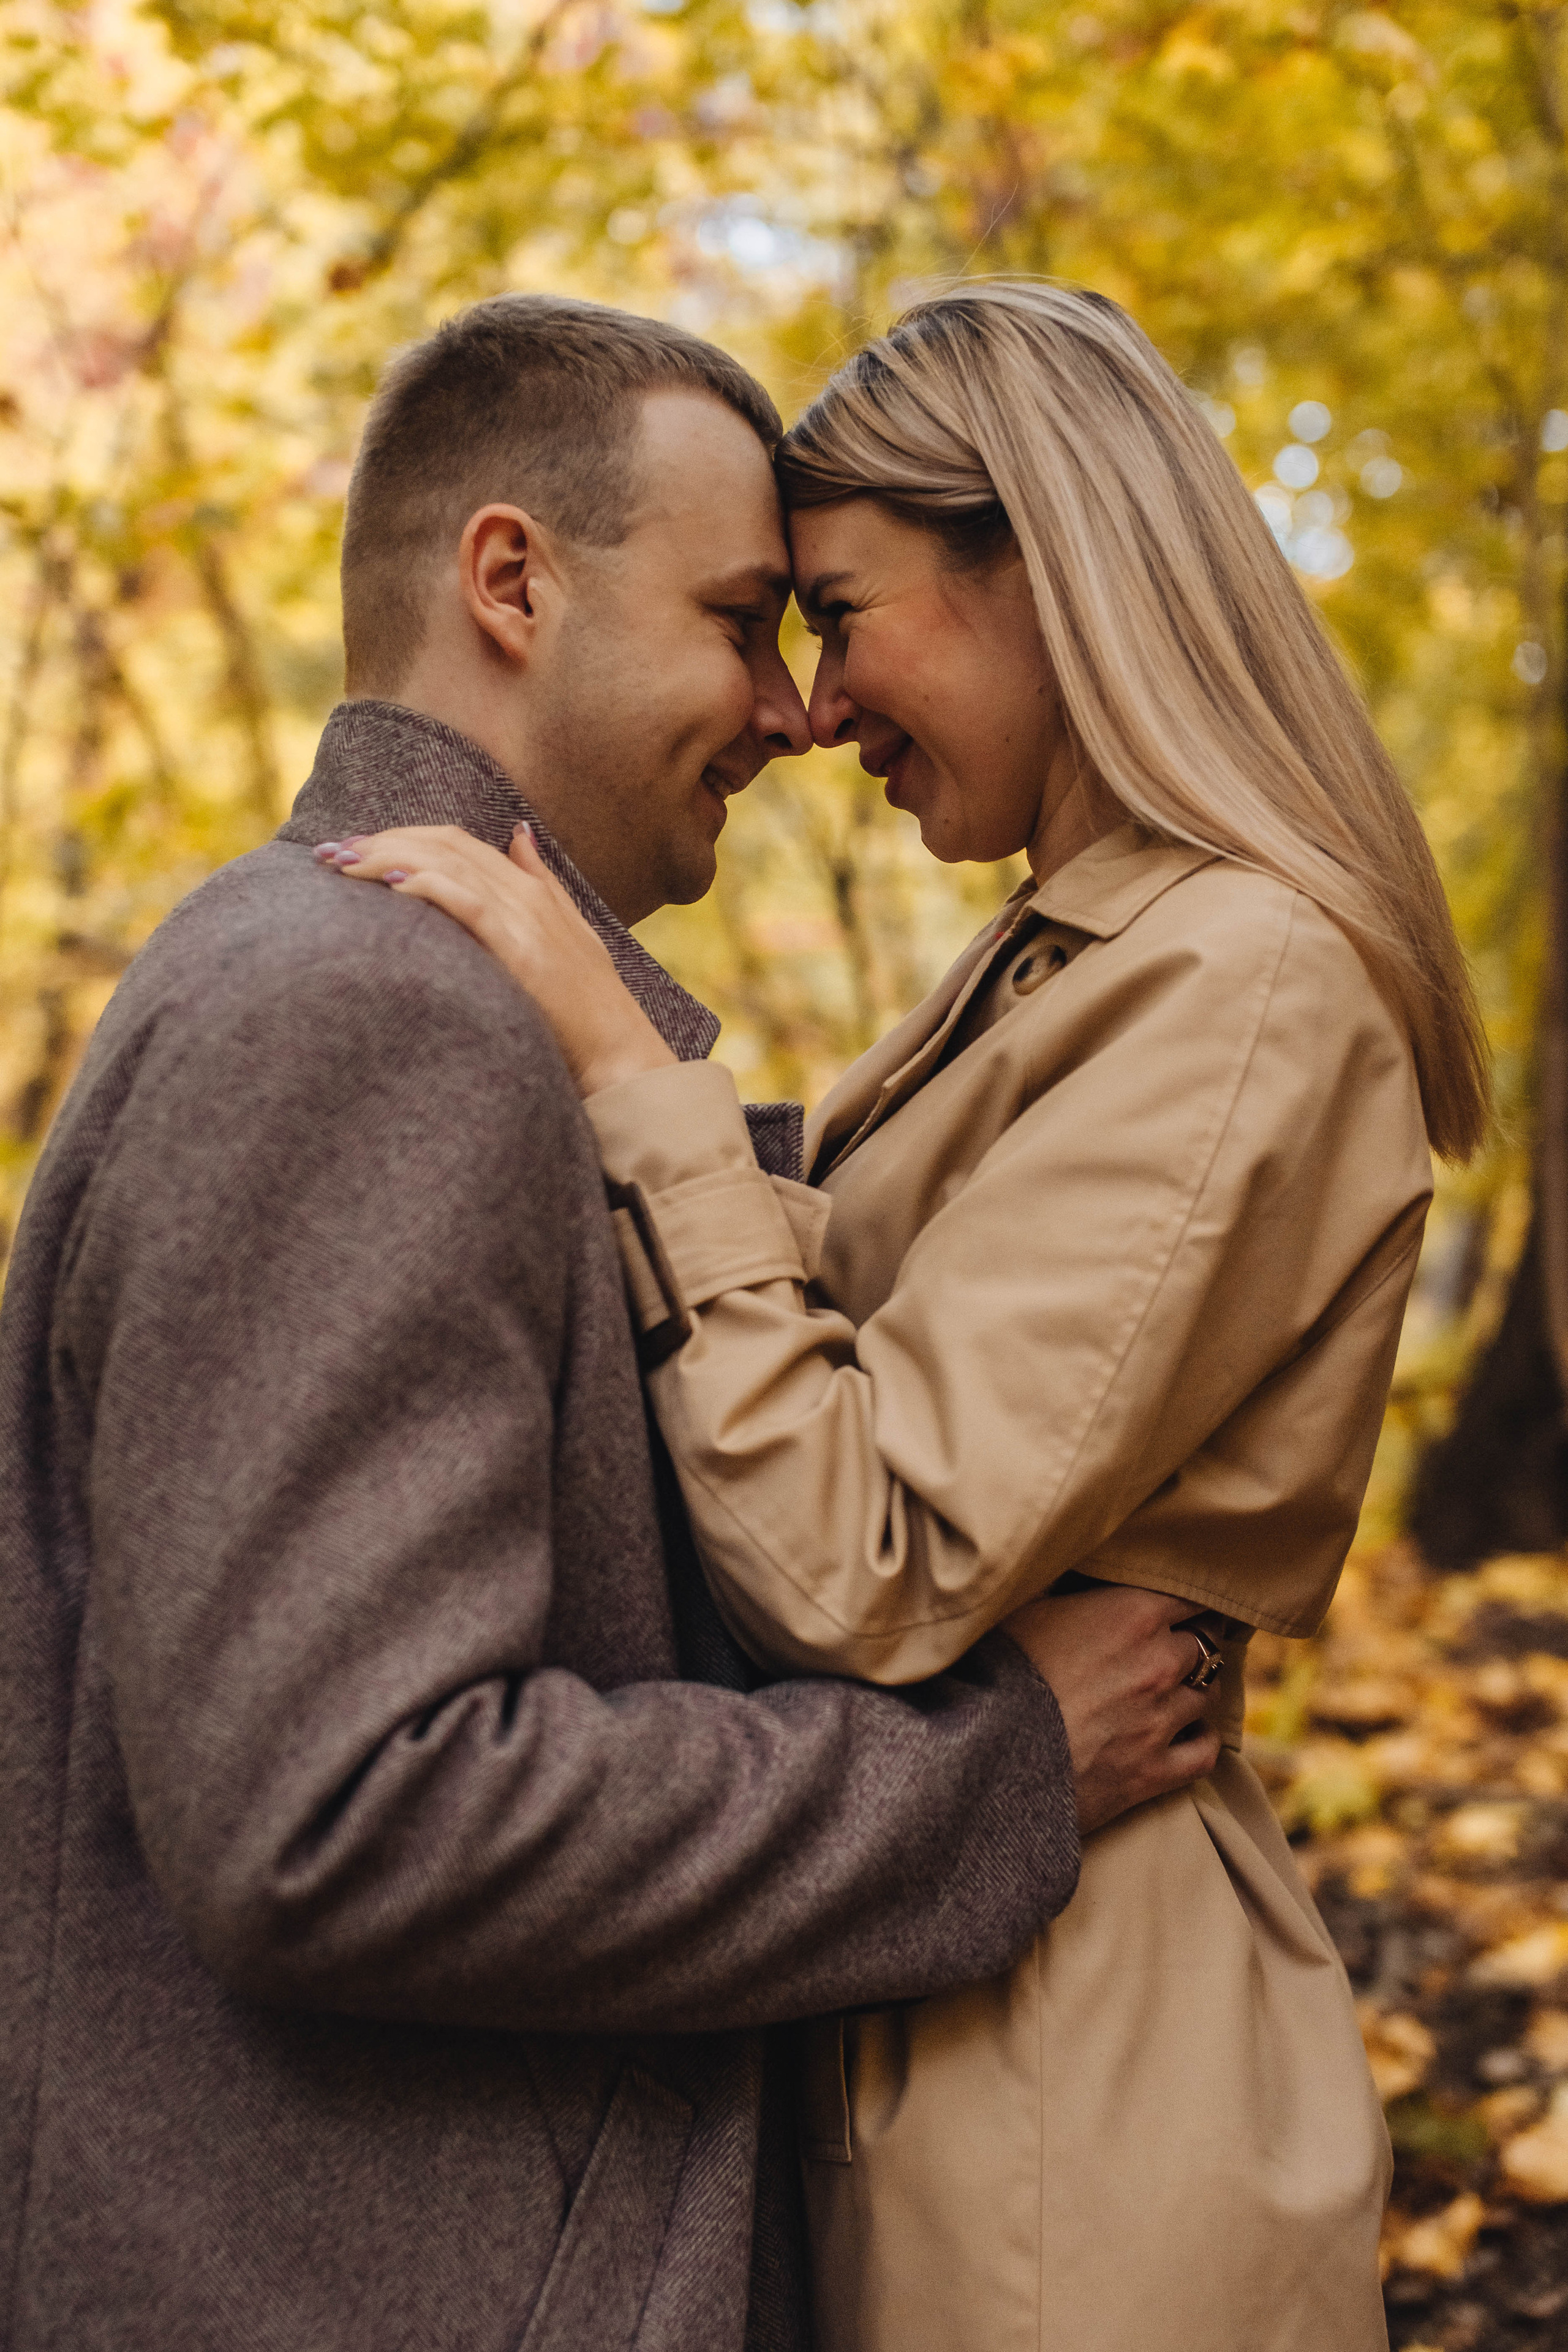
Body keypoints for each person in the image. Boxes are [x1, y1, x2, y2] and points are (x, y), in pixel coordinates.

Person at [0, 293, 1222, 2352]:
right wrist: (990, 1775)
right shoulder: (363, 1016)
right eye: (746, 619)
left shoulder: (397, 999)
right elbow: (344, 1815)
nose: (791, 710)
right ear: (511, 582)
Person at [329, 282, 1491, 2352]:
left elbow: (873, 1565)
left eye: (841, 615)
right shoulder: (1063, 960)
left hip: (1074, 2087)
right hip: (956, 1981)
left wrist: (627, 1070)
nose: (812, 707)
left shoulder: (1243, 977)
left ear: (1043, 565)